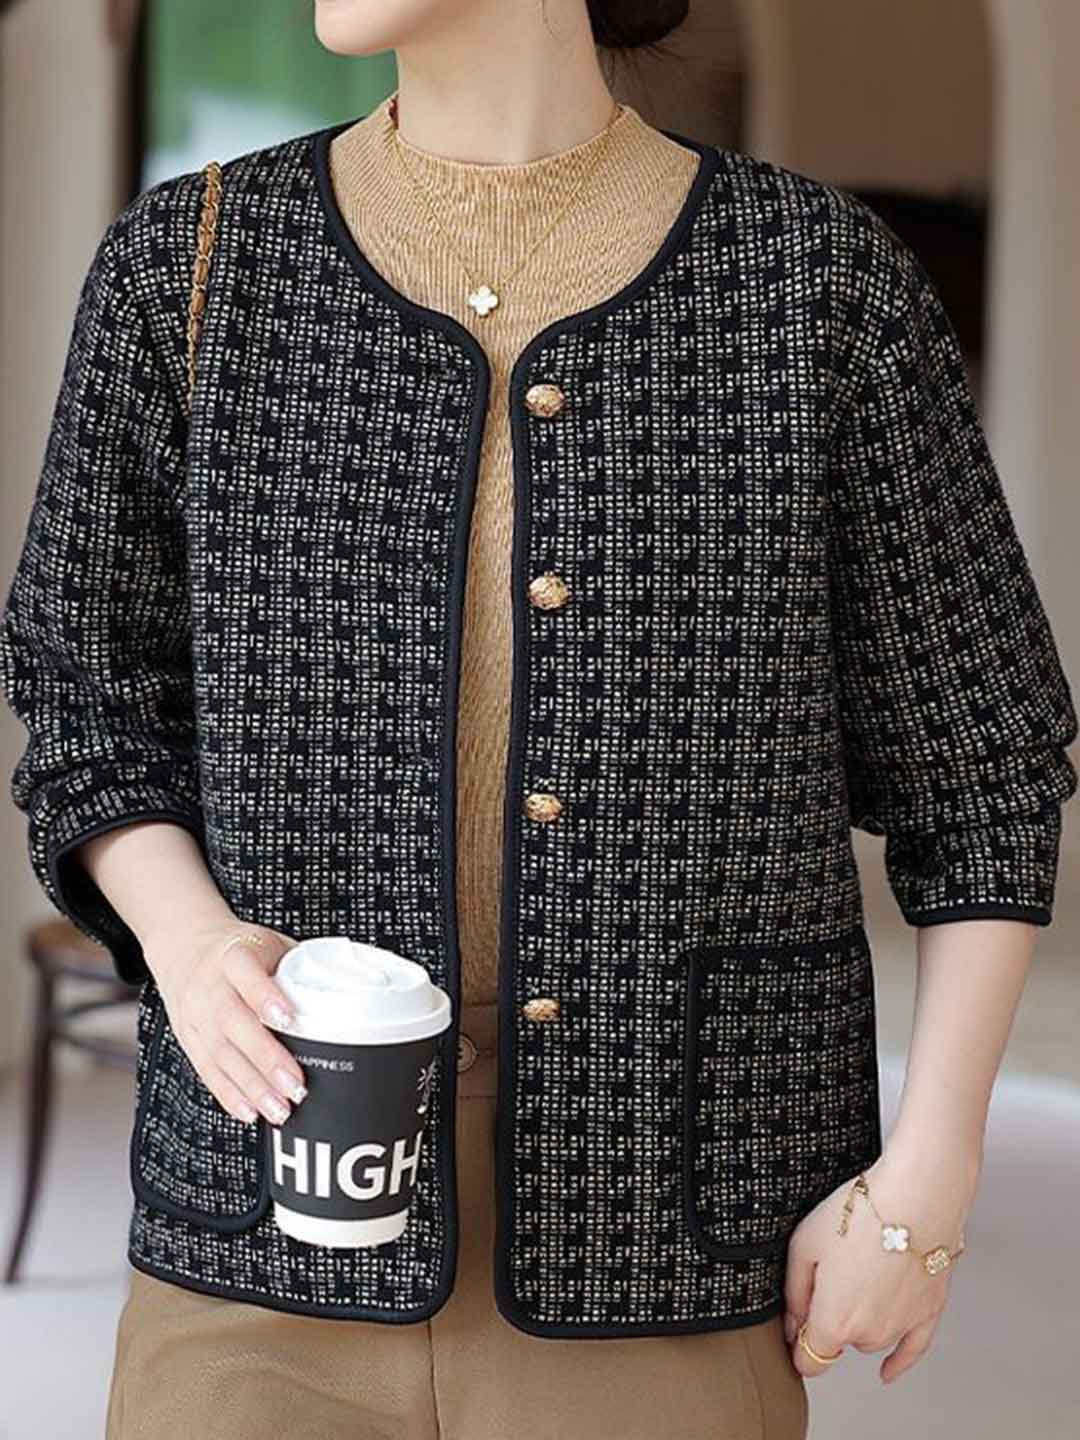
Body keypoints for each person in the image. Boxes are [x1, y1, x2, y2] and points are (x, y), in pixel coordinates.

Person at [1, 1, 1076, 1437]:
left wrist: (928, 1181)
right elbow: (83, 692)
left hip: (668, 1226)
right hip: (261, 1223)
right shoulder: (188, 267)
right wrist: (189, 941)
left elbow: (983, 763)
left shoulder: (820, 285)